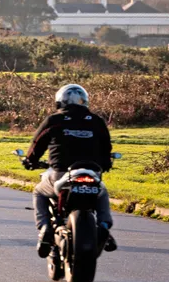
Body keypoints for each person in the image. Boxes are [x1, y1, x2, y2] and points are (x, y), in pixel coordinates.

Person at [23, 84, 117, 256]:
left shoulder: (54, 120)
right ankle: (104, 227)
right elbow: (106, 148)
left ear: (60, 101)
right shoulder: (96, 121)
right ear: (85, 101)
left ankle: (44, 228)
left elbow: (37, 145)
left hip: (61, 174)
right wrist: (106, 164)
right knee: (102, 192)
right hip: (91, 173)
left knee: (39, 192)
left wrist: (30, 161)